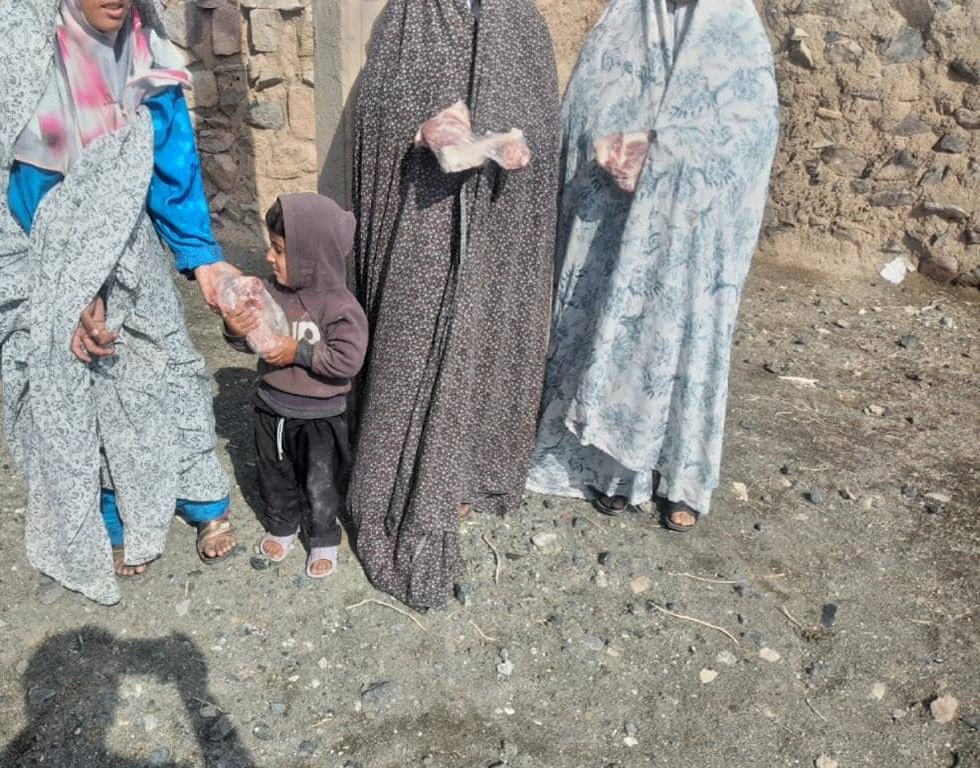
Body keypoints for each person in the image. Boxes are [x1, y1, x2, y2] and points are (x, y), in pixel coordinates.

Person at [0, 0, 237, 604]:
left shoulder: (145, 46)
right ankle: (113, 511)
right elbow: (19, 176)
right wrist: (73, 290)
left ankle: (200, 495)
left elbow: (173, 162)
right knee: (79, 382)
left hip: (129, 240)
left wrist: (201, 258)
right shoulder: (30, 47)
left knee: (167, 361)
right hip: (46, 246)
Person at [526, 0, 780, 532]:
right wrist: (611, 151)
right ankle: (606, 471)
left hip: (689, 236)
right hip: (614, 228)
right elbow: (585, 109)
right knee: (607, 331)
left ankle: (678, 480)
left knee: (674, 340)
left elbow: (746, 141)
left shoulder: (735, 32)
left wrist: (663, 158)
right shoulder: (623, 24)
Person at [348, 0, 560, 609]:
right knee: (410, 348)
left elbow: (542, 124)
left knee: (484, 342)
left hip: (497, 227)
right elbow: (377, 121)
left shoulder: (523, 25)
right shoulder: (407, 20)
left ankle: (469, 468)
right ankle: (401, 479)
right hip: (423, 223)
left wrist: (510, 142)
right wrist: (421, 131)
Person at [221, 194, 367, 579]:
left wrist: (298, 353)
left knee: (321, 482)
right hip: (271, 408)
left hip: (320, 417)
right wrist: (237, 330)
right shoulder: (270, 293)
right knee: (274, 474)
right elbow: (254, 338)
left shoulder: (340, 306)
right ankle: (282, 524)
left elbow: (348, 361)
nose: (270, 257)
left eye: (280, 250)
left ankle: (323, 535)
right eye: (272, 247)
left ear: (311, 255)